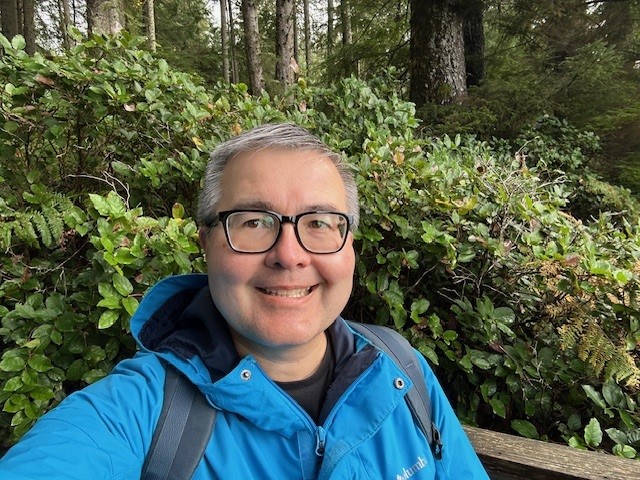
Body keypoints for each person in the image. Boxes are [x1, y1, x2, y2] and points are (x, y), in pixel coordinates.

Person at [0, 123, 489, 479]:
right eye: (254, 222)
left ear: (350, 246)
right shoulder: (138, 414)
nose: (290, 256)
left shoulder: (403, 372)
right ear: (206, 242)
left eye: (319, 222)